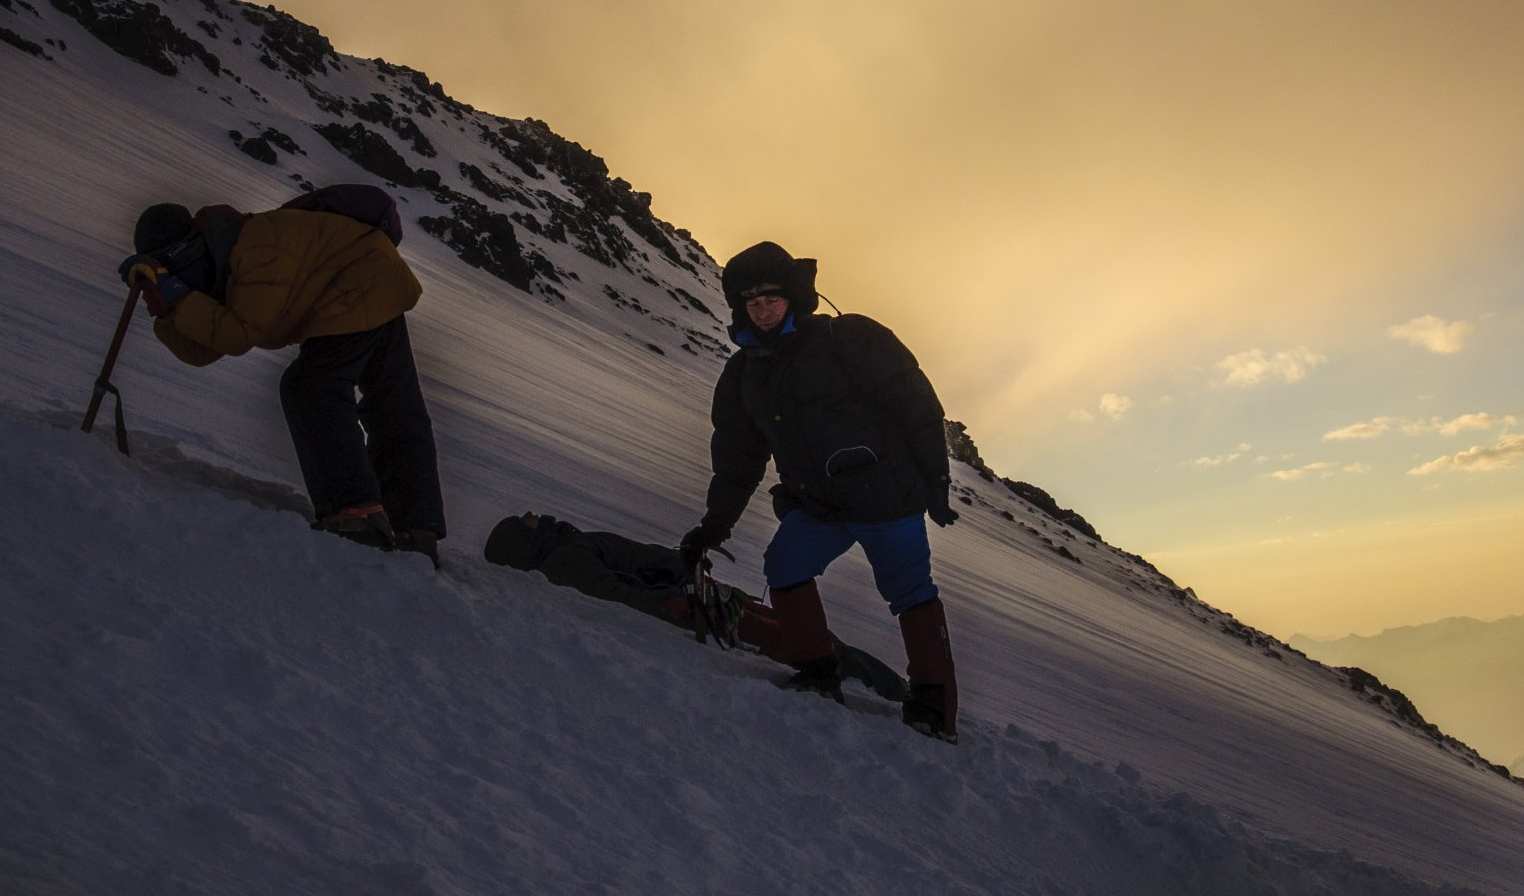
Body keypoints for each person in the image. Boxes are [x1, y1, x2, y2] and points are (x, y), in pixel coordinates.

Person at [676, 240, 962, 742]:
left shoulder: (848, 339)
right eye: (752, 303)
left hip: (885, 500)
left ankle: (934, 705)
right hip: (821, 507)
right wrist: (712, 526)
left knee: (910, 593)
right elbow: (738, 462)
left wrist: (937, 484)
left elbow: (916, 407)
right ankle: (816, 670)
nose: (763, 311)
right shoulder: (745, 375)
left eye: (772, 300)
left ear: (794, 297)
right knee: (784, 566)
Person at [119, 195, 446, 564]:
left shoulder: (259, 246)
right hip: (372, 274)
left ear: (185, 252)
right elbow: (204, 349)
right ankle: (415, 528)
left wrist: (177, 296)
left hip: (359, 280)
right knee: (391, 404)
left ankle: (357, 513)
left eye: (171, 268)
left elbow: (239, 334)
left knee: (311, 386)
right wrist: (169, 311)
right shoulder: (221, 258)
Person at [482, 511, 906, 701]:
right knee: (799, 640)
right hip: (700, 606)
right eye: (526, 520)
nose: (536, 515)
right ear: (522, 543)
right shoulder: (565, 561)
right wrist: (674, 602)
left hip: (701, 595)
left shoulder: (567, 547)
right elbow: (617, 594)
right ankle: (890, 693)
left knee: (807, 637)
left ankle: (886, 688)